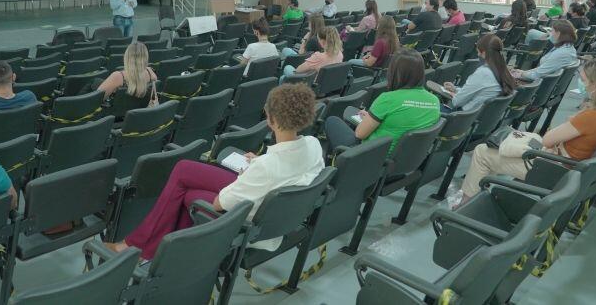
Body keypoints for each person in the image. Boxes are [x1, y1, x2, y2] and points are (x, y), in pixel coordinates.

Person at [105, 83, 324, 260]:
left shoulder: (266, 168)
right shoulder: (313, 145)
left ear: (272, 120)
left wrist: (259, 166)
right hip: (271, 200)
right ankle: (162, 248)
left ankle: (137, 245)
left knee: (187, 193)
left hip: (247, 221)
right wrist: (259, 161)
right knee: (183, 169)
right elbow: (289, 168)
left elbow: (220, 203)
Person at [459, 57, 596, 203]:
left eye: (584, 80)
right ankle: (480, 199)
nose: (581, 83)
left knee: (482, 151)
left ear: (595, 85)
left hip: (553, 170)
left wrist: (571, 121)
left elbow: (548, 140)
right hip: (570, 168)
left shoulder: (591, 116)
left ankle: (465, 203)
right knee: (498, 149)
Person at [324, 48, 440, 154]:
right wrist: (371, 117)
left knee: (332, 121)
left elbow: (360, 134)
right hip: (408, 159)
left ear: (394, 73)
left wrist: (367, 121)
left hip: (375, 156)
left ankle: (334, 169)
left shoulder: (388, 98)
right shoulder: (434, 101)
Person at [438, 34, 516, 112]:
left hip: (461, 116)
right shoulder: (503, 71)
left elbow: (456, 102)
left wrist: (455, 95)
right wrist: (456, 89)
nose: (478, 55)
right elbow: (480, 91)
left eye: (479, 51)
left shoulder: (483, 73)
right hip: (478, 117)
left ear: (484, 52)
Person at [512, 20, 578, 81]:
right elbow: (543, 69)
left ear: (558, 33)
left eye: (552, 31)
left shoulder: (561, 53)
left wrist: (521, 74)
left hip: (536, 84)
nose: (550, 33)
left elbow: (536, 75)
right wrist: (523, 72)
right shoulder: (567, 48)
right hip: (541, 82)